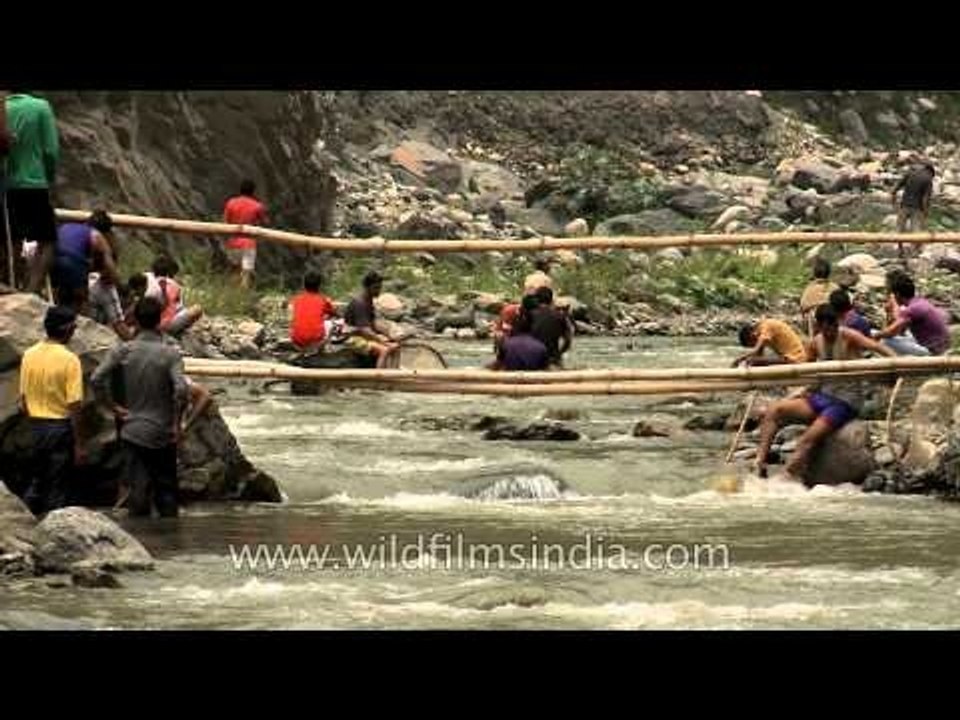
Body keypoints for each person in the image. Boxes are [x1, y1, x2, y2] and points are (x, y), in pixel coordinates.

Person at [754, 304, 897, 481]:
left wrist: (896, 363)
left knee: (806, 440)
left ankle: (784, 479)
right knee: (775, 410)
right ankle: (759, 463)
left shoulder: (848, 336)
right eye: (827, 328)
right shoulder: (816, 342)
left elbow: (877, 347)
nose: (831, 332)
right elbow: (805, 368)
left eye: (834, 326)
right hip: (822, 397)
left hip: (845, 402)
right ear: (820, 326)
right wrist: (775, 370)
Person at [91, 297, 190, 518]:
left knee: (138, 492)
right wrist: (177, 424)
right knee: (167, 494)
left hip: (132, 429)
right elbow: (181, 391)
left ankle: (140, 543)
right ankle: (171, 546)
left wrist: (113, 407)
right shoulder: (170, 354)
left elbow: (96, 379)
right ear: (159, 321)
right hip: (163, 432)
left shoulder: (123, 351)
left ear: (134, 320)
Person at [18, 305, 84, 515]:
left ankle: (25, 529)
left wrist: (34, 423)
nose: (74, 331)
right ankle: (55, 534)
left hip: (36, 427)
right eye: (74, 327)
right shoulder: (70, 359)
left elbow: (23, 399)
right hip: (59, 429)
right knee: (58, 486)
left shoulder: (29, 354)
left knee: (36, 481)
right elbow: (74, 404)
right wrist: (80, 444)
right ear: (67, 329)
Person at [4, 92, 59, 294]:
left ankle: (11, 286)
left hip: (6, 183)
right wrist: (50, 177)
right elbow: (51, 151)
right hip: (34, 182)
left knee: (12, 239)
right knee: (47, 240)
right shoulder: (41, 107)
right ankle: (31, 290)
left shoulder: (3, 107)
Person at [52, 210, 118, 312]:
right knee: (81, 301)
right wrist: (112, 281)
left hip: (54, 260)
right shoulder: (96, 235)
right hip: (73, 261)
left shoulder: (66, 226)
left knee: (60, 299)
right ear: (105, 232)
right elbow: (111, 270)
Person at [874, 274, 949, 356]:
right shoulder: (919, 301)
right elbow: (900, 328)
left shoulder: (912, 309)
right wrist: (891, 311)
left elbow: (891, 332)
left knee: (885, 341)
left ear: (897, 295)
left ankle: (897, 363)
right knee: (889, 335)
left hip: (932, 351)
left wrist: (875, 336)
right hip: (939, 345)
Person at [343, 270, 398, 368]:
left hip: (362, 335)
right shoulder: (360, 303)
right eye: (376, 288)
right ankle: (379, 379)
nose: (378, 291)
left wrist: (388, 335)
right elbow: (365, 330)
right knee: (384, 350)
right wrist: (381, 341)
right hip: (352, 338)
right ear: (367, 288)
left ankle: (393, 374)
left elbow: (373, 323)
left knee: (395, 346)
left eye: (380, 288)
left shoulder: (369, 301)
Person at [223, 179, 267, 289]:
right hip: (249, 243)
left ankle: (232, 296)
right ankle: (243, 297)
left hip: (233, 242)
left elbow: (225, 221)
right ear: (253, 191)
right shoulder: (257, 206)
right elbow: (264, 222)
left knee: (234, 271)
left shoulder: (231, 202)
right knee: (246, 273)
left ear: (240, 190)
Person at [145, 255, 203, 337]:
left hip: (143, 323)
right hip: (163, 326)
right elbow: (177, 308)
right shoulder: (172, 284)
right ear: (171, 273)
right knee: (197, 308)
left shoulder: (144, 277)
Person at [492, 295, 549, 371]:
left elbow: (497, 365)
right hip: (532, 368)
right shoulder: (510, 311)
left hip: (511, 352)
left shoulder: (506, 345)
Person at [892, 160, 934, 257]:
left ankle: (900, 250)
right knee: (916, 231)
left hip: (904, 205)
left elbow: (895, 188)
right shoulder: (928, 179)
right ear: (931, 172)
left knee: (900, 229)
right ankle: (914, 252)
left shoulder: (910, 173)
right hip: (917, 208)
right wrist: (926, 212)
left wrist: (893, 202)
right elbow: (925, 198)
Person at [289, 269, 337, 353]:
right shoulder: (323, 300)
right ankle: (321, 351)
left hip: (296, 342)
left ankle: (303, 349)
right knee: (331, 323)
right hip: (315, 343)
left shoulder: (297, 299)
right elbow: (334, 313)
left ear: (304, 285)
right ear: (319, 285)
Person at [733, 318, 808, 367]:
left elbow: (755, 351)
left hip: (796, 358)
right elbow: (758, 354)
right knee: (757, 361)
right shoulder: (761, 332)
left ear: (752, 336)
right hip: (789, 357)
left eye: (752, 344)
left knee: (758, 360)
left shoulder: (765, 327)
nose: (754, 345)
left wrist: (738, 360)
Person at [529, 285, 573, 368]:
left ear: (536, 300)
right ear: (551, 300)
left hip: (532, 358)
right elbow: (568, 340)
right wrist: (559, 353)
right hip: (552, 359)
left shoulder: (529, 315)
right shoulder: (561, 317)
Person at [799, 257, 838, 336]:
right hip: (833, 323)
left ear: (814, 273)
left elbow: (803, 306)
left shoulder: (810, 289)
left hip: (816, 325)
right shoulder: (835, 287)